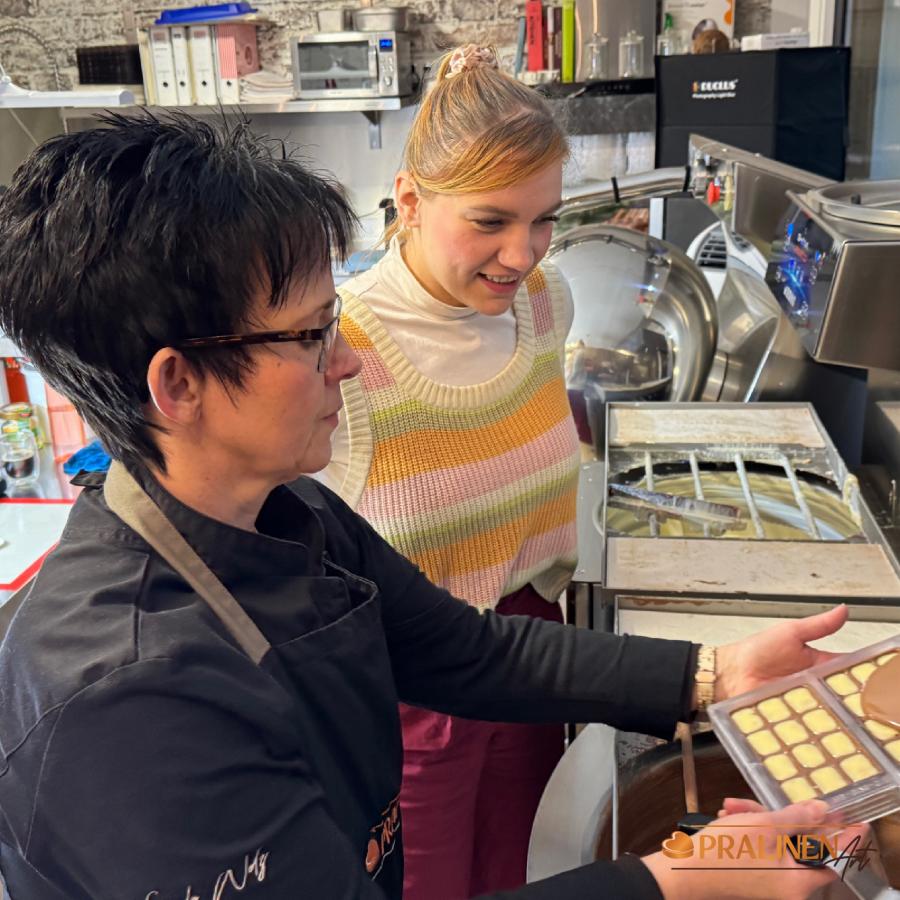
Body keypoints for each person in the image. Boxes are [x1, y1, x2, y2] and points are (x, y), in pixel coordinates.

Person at [0, 111, 860, 900]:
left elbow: (469, 652)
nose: (346, 363)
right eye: (311, 336)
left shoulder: (291, 516)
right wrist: (685, 880)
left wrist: (712, 675)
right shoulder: (129, 705)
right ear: (177, 382)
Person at [316, 42, 581, 895]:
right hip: (413, 695)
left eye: (544, 219)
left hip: (539, 659)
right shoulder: (342, 349)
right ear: (410, 202)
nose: (523, 252)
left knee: (526, 873)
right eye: (491, 220)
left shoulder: (546, 306)